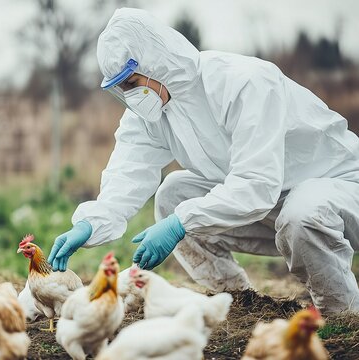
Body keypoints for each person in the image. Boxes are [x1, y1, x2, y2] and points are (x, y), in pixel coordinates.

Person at [47, 8, 359, 314]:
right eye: (121, 87)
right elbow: (127, 174)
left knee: (302, 213)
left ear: (156, 64)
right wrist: (91, 222)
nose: (129, 94)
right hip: (274, 203)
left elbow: (255, 185)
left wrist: (181, 223)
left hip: (340, 188)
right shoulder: (151, 113)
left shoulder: (243, 83)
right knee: (173, 195)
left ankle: (343, 315)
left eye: (130, 82)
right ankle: (239, 301)